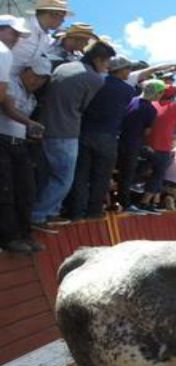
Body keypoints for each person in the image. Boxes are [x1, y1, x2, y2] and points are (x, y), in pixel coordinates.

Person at [32, 40, 113, 228]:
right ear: (99, 59)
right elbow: (85, 107)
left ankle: (50, 212)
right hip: (65, 130)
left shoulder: (63, 67)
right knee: (63, 178)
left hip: (43, 125)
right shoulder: (94, 79)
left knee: (47, 176)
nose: (107, 66)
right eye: (107, 61)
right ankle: (39, 215)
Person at [69, 55, 136, 221]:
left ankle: (76, 212)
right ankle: (94, 212)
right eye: (128, 68)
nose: (129, 72)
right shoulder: (128, 90)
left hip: (84, 132)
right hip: (108, 136)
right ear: (120, 70)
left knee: (81, 175)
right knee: (101, 176)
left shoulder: (96, 82)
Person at [0, 15, 40, 253]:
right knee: (7, 188)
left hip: (13, 138)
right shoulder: (3, 53)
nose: (16, 39)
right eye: (13, 33)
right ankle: (11, 237)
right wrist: (29, 122)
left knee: (20, 188)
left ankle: (20, 235)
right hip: (4, 136)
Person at [116, 80, 164, 213]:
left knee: (151, 161)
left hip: (119, 139)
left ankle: (134, 183)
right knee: (128, 174)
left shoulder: (131, 100)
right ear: (157, 93)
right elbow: (147, 131)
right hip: (132, 143)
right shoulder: (150, 109)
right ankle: (126, 202)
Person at [141, 85, 176, 211]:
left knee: (146, 173)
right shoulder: (175, 107)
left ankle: (154, 202)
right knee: (158, 175)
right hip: (163, 146)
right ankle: (145, 202)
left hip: (146, 144)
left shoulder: (151, 104)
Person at [11, 0, 69, 75]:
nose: (63, 20)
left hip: (15, 82)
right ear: (51, 15)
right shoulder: (20, 25)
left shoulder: (46, 38)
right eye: (62, 16)